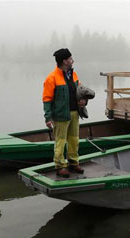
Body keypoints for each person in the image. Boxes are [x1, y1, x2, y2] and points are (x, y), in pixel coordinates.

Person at [42, 48, 87, 178]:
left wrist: (83, 100)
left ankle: (73, 162)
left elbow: (80, 91)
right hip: (60, 115)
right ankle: (60, 166)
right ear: (64, 61)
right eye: (71, 59)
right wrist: (48, 117)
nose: (73, 61)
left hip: (74, 113)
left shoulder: (74, 75)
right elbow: (47, 99)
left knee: (74, 140)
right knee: (60, 141)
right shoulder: (51, 78)